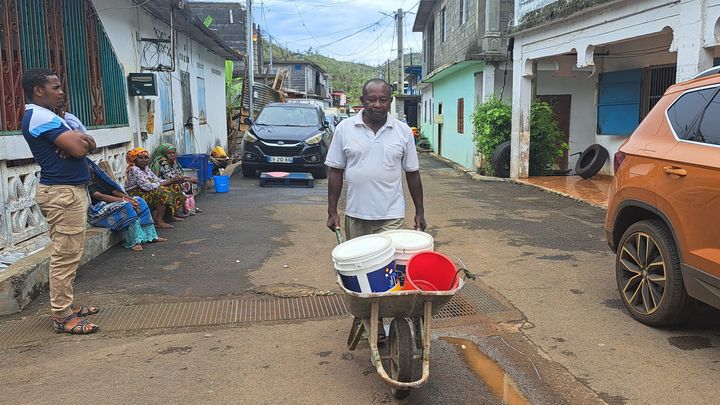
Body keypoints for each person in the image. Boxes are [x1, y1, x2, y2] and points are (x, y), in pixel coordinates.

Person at [21, 68, 100, 334]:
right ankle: (61, 315)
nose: (61, 92)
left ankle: (66, 305)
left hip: (68, 191)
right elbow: (80, 148)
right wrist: (79, 142)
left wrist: (82, 141)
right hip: (61, 193)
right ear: (38, 90)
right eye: (55, 88)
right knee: (65, 255)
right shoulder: (39, 117)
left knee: (71, 252)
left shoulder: (52, 117)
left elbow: (88, 144)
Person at [326, 78, 426, 240]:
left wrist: (419, 212)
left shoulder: (403, 131)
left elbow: (412, 173)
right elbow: (335, 171)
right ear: (362, 101)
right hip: (356, 215)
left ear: (390, 101)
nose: (377, 104)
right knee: (359, 263)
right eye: (371, 100)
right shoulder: (344, 129)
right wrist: (332, 211)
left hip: (392, 216)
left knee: (387, 263)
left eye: (383, 100)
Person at [87, 160, 166, 251]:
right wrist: (126, 201)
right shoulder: (87, 185)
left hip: (112, 203)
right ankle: (135, 241)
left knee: (139, 201)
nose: (92, 174)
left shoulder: (100, 181)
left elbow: (115, 191)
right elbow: (101, 196)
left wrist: (130, 199)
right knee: (126, 206)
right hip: (99, 209)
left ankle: (149, 235)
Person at [124, 147, 186, 229]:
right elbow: (147, 186)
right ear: (134, 160)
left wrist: (171, 181)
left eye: (146, 158)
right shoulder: (134, 169)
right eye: (140, 158)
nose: (144, 160)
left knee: (174, 186)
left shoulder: (146, 168)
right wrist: (168, 181)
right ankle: (159, 220)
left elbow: (157, 180)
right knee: (163, 191)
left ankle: (169, 215)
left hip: (145, 190)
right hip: (135, 194)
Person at [149, 143, 201, 215]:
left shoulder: (173, 162)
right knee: (179, 185)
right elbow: (171, 178)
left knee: (188, 184)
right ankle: (181, 210)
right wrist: (188, 179)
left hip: (173, 181)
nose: (172, 155)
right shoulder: (163, 163)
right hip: (165, 183)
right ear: (163, 154)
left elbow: (178, 174)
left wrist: (188, 179)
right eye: (169, 153)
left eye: (173, 153)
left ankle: (191, 207)